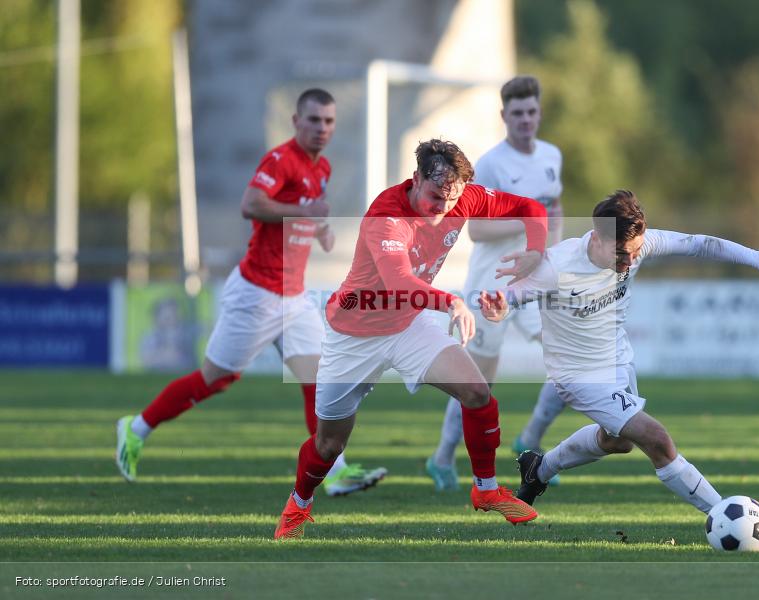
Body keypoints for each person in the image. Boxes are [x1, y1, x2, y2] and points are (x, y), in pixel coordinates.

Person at [116, 88, 387, 497]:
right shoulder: (280, 160)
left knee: (321, 379)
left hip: (294, 297)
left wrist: (321, 228)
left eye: (329, 121)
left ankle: (335, 472)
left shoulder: (322, 167)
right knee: (214, 379)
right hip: (257, 293)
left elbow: (308, 209)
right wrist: (304, 212)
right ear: (296, 121)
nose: (322, 128)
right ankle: (135, 428)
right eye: (314, 120)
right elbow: (251, 205)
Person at [273, 139, 548, 539]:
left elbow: (532, 208)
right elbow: (399, 282)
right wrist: (451, 301)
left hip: (407, 325)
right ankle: (298, 505)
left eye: (452, 200)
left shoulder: (462, 197)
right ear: (416, 179)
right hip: (353, 335)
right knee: (329, 445)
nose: (443, 208)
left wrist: (536, 251)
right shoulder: (386, 215)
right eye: (435, 197)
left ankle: (486, 490)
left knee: (477, 393)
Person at [477, 190, 759, 515]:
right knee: (656, 439)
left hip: (618, 361)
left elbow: (699, 243)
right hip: (578, 376)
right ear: (597, 237)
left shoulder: (639, 245)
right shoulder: (557, 265)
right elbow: (513, 296)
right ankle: (722, 514)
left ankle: (540, 468)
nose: (630, 261)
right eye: (622, 253)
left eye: (635, 252)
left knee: (618, 442)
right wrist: (500, 307)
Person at [426, 76, 566, 491]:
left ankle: (531, 443)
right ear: (504, 115)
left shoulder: (552, 155)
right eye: (517, 113)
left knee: (568, 358)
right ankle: (442, 458)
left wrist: (553, 253)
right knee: (479, 383)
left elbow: (555, 207)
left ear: (539, 113)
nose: (525, 119)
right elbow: (476, 230)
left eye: (531, 111)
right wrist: (528, 219)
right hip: (493, 284)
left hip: (535, 282)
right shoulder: (491, 164)